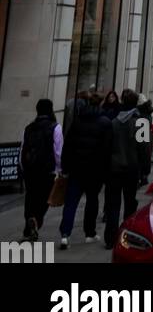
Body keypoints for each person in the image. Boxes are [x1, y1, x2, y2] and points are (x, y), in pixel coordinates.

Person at [58, 90, 111, 248]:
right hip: (95, 170)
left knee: (71, 202)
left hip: (76, 168)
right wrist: (105, 171)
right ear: (101, 103)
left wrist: (65, 166)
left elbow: (68, 145)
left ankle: (65, 234)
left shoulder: (77, 121)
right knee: (92, 200)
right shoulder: (105, 122)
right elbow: (107, 150)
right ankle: (90, 232)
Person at [103, 89, 141, 249]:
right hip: (132, 168)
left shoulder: (113, 122)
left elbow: (107, 147)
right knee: (130, 203)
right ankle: (128, 236)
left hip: (114, 168)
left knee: (112, 204)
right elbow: (144, 147)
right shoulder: (141, 122)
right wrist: (145, 168)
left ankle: (110, 238)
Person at [20, 99, 62, 240]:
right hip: (47, 170)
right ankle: (36, 220)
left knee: (30, 197)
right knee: (44, 199)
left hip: (30, 169)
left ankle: (29, 223)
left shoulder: (29, 127)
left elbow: (23, 149)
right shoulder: (55, 127)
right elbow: (58, 151)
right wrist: (59, 169)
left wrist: (22, 166)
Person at [136, 95, 153, 184]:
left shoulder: (140, 113)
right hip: (146, 136)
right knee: (145, 157)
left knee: (140, 157)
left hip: (141, 136)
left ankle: (141, 176)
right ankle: (144, 176)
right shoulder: (148, 111)